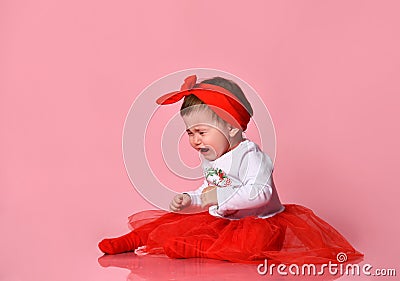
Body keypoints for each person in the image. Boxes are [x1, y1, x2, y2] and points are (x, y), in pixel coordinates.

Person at [99, 75, 363, 264]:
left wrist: (218, 199)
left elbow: (259, 192)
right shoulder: (213, 157)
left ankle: (198, 248)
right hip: (222, 218)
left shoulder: (250, 156)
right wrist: (191, 200)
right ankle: (133, 239)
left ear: (232, 127)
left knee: (250, 245)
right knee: (172, 220)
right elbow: (209, 189)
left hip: (257, 222)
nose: (194, 140)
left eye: (201, 131)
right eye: (190, 132)